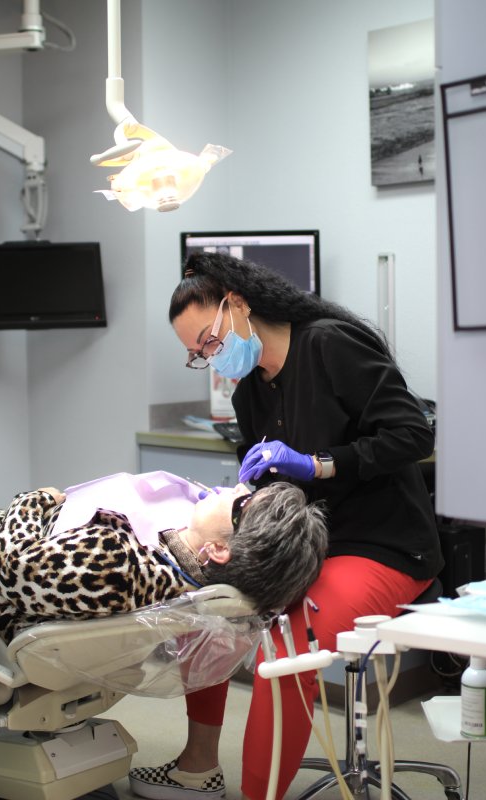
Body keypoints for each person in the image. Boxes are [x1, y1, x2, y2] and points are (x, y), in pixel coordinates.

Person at [130, 251, 444, 800]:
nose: (209, 355)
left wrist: (319, 463)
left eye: (208, 339)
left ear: (239, 305)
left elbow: (414, 435)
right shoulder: (252, 384)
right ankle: (199, 766)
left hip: (380, 545)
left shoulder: (328, 344)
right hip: (302, 545)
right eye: (196, 354)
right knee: (208, 612)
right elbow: (265, 474)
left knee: (284, 640)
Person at [0, 471, 327, 645]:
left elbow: (18, 569)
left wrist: (34, 500)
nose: (236, 488)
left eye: (243, 501)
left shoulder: (120, 567)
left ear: (219, 549)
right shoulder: (166, 561)